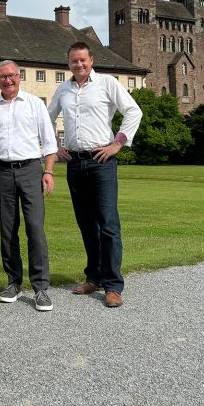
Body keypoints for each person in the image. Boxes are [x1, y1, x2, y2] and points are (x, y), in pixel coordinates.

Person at [48, 41, 142, 308]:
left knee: (108, 225)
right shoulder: (63, 89)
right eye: (74, 61)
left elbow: (134, 111)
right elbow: (47, 117)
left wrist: (117, 143)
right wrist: (55, 145)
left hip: (101, 161)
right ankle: (94, 277)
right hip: (75, 164)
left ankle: (113, 285)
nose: (79, 65)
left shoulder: (107, 83)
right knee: (87, 224)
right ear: (69, 63)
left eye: (83, 60)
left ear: (92, 61)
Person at [0, 60, 58, 312]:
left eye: (11, 76)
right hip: (2, 171)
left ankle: (40, 288)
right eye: (2, 77)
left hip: (30, 170)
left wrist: (48, 171)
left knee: (35, 228)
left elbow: (49, 142)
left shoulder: (35, 104)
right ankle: (13, 282)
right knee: (7, 230)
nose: (7, 80)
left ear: (19, 77)